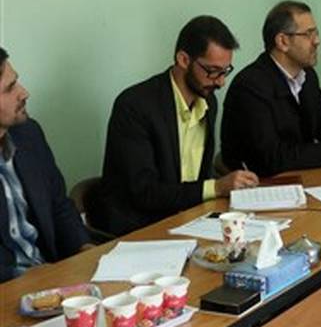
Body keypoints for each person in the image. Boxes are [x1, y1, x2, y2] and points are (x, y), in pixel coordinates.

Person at [93, 17, 259, 236]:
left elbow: (198, 177)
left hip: (191, 221)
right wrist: (217, 187)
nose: (221, 82)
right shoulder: (135, 106)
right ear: (183, 59)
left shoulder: (208, 101)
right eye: (212, 71)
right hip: (142, 229)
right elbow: (144, 192)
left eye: (225, 71)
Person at [221, 0, 321, 176]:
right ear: (283, 41)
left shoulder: (307, 76)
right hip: (261, 183)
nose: (317, 41)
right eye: (308, 34)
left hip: (301, 177)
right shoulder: (250, 86)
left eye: (316, 33)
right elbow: (271, 157)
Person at [0, 48, 91, 282]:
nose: (24, 93)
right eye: (10, 88)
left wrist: (85, 249)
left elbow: (59, 205)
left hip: (52, 278)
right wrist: (28, 277)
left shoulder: (28, 134)